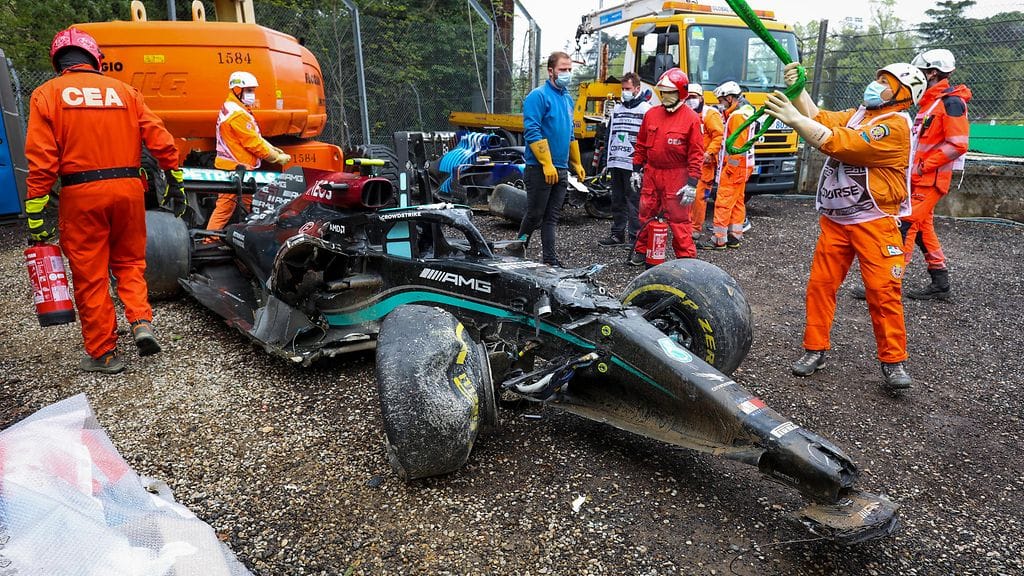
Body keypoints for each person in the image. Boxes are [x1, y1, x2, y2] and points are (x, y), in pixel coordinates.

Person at [24, 27, 185, 374]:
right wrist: (175, 179)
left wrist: (35, 215)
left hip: (80, 196)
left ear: (59, 62)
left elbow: (41, 162)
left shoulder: (46, 95)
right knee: (129, 263)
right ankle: (141, 321)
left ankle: (104, 353)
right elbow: (160, 139)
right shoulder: (126, 91)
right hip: (128, 191)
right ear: (95, 58)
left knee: (91, 274)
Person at [764, 61, 927, 392]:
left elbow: (840, 144)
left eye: (884, 81)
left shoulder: (894, 127)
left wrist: (795, 119)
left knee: (882, 292)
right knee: (820, 286)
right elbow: (821, 120)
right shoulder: (860, 115)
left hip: (875, 223)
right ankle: (815, 349)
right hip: (837, 221)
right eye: (877, 77)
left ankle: (893, 362)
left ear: (903, 93)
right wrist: (800, 92)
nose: (875, 84)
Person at [901, 49, 971, 300]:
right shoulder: (930, 103)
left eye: (920, 72)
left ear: (932, 73)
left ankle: (886, 282)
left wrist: (923, 166)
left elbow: (958, 144)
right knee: (921, 230)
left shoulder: (951, 103)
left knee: (904, 225)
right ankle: (940, 283)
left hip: (929, 179)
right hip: (919, 179)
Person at [628, 68, 704, 266]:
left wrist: (692, 183)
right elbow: (641, 145)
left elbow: (696, 154)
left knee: (679, 220)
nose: (665, 96)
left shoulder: (691, 119)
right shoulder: (651, 115)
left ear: (680, 92)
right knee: (646, 213)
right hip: (652, 173)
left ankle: (686, 260)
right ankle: (642, 251)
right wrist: (636, 170)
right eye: (663, 92)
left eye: (670, 91)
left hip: (677, 175)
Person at [518, 51, 586, 267]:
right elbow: (532, 131)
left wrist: (576, 162)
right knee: (534, 215)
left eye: (569, 70)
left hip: (561, 168)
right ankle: (516, 249)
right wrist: (546, 163)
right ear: (550, 71)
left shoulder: (567, 98)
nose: (566, 74)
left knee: (551, 218)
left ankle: (550, 261)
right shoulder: (537, 96)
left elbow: (570, 133)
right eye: (562, 70)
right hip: (539, 168)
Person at [206, 71, 291, 232]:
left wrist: (272, 148)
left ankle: (241, 236)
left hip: (240, 169)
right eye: (249, 90)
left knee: (245, 206)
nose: (252, 94)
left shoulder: (235, 107)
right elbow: (253, 143)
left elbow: (253, 136)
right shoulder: (237, 114)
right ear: (238, 90)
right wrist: (276, 158)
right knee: (225, 209)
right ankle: (208, 241)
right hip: (233, 169)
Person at [597, 72, 652, 248]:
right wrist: (606, 161)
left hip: (634, 165)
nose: (624, 92)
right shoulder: (617, 110)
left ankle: (636, 238)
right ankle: (617, 234)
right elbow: (609, 135)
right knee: (617, 200)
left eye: (627, 89)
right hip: (616, 162)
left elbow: (649, 138)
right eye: (623, 89)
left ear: (637, 88)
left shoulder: (646, 110)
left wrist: (644, 164)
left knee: (634, 202)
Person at [703, 81, 755, 249]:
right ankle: (734, 236)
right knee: (738, 202)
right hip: (745, 166)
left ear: (730, 98)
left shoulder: (737, 117)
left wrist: (729, 169)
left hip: (735, 167)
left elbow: (737, 148)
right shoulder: (746, 113)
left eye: (722, 100)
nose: (721, 104)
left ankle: (719, 239)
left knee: (723, 201)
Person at [682, 83, 724, 243]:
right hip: (688, 162)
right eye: (688, 97)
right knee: (685, 196)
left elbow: (719, 136)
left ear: (701, 98)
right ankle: (685, 226)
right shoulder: (685, 113)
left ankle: (695, 228)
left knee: (699, 198)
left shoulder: (709, 114)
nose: (690, 100)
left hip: (703, 164)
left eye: (693, 97)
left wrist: (709, 152)